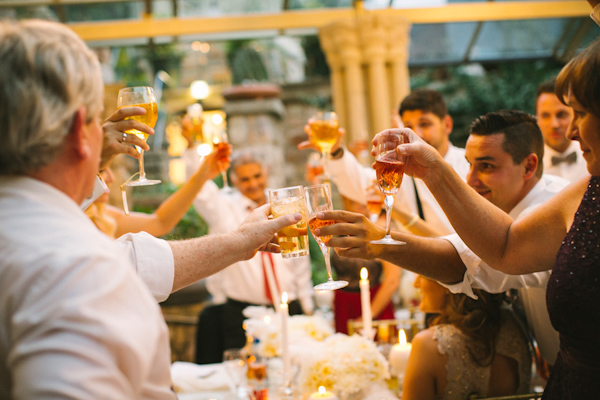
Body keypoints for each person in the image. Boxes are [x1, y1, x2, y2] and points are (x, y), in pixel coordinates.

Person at [0, 19, 302, 398]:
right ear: (81, 130)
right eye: (97, 120)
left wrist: (243, 241)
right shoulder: (73, 266)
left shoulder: (32, 230)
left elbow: (134, 259)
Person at [354, 39, 600, 399]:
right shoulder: (586, 193)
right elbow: (500, 248)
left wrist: (379, 240)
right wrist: (431, 173)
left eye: (580, 113)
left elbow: (480, 259)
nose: (570, 130)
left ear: (529, 166)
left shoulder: (555, 198)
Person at [314, 110, 568, 368]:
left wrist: (380, 242)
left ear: (529, 166)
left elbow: (472, 264)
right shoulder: (507, 198)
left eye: (487, 166)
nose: (471, 180)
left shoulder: (551, 209)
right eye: (469, 165)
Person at [185, 149, 314, 362]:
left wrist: (307, 306)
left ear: (266, 173)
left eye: (257, 176)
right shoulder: (224, 207)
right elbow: (201, 192)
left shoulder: (284, 202)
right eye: (245, 179)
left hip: (289, 308)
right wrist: (191, 149)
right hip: (241, 312)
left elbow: (299, 260)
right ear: (234, 180)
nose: (253, 184)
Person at [300, 88, 469, 236]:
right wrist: (335, 151)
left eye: (425, 124)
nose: (418, 134)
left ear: (446, 124)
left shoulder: (468, 165)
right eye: (409, 127)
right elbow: (359, 182)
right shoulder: (402, 170)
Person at [403, 275, 531, 400]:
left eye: (422, 275)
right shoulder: (515, 325)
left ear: (447, 282)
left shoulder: (427, 346)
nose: (416, 284)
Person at [86, 144, 230, 239]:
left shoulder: (103, 216)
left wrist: (201, 176)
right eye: (101, 170)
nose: (110, 178)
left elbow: (160, 222)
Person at [331, 195, 400, 334]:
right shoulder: (344, 227)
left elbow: (393, 280)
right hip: (343, 305)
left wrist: (368, 316)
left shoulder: (382, 229)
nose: (358, 205)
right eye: (354, 200)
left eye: (363, 201)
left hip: (373, 305)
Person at [536, 78, 587, 182]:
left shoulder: (594, 159)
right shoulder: (527, 168)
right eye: (545, 116)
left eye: (561, 115)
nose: (554, 124)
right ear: (537, 119)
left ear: (576, 115)